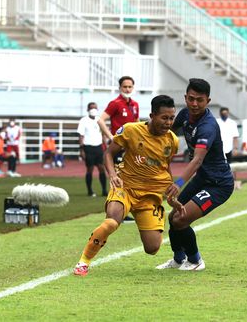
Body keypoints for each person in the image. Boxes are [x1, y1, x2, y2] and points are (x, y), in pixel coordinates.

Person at [73, 95, 181, 276]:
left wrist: (171, 195)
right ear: (152, 115)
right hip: (126, 187)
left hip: (150, 195)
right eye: (164, 118)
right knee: (111, 221)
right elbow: (108, 153)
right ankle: (83, 262)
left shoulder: (172, 140)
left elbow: (165, 166)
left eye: (171, 118)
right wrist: (113, 175)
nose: (168, 122)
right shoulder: (131, 130)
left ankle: (149, 216)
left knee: (152, 248)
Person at [156, 78, 234, 272]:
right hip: (202, 178)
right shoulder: (184, 114)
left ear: (208, 100)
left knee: (181, 219)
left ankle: (196, 260)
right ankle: (178, 259)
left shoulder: (208, 126)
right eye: (191, 99)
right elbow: (165, 134)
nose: (194, 104)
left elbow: (197, 160)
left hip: (218, 185)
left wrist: (179, 182)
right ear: (185, 98)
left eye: (200, 100)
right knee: (173, 216)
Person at [98, 76, 139, 221]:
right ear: (120, 88)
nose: (127, 89)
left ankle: (127, 206)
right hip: (118, 146)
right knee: (116, 176)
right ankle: (115, 209)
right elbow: (100, 119)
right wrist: (111, 137)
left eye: (130, 87)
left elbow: (136, 123)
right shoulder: (115, 103)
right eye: (125, 87)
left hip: (131, 147)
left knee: (131, 176)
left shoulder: (134, 104)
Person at [77, 102, 108, 197]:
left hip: (98, 147)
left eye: (95, 108)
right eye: (91, 108)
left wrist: (105, 146)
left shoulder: (99, 120)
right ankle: (90, 190)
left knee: (101, 168)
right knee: (90, 169)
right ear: (88, 110)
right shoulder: (83, 120)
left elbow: (103, 133)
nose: (93, 110)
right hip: (88, 147)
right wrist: (81, 150)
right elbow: (81, 135)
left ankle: (104, 190)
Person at [216, 107, 241, 189]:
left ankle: (232, 182)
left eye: (226, 113)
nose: (224, 115)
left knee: (231, 166)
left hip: (229, 148)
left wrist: (235, 148)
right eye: (223, 113)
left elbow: (235, 137)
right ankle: (219, 183)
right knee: (218, 166)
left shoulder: (232, 123)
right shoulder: (216, 122)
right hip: (218, 149)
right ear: (220, 114)